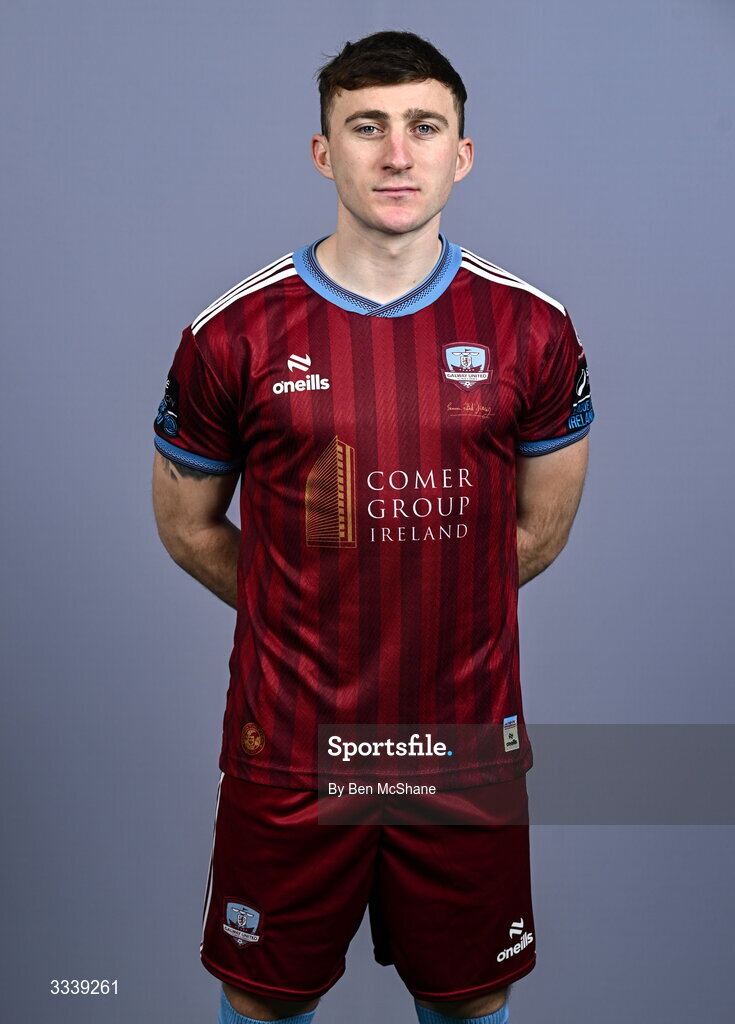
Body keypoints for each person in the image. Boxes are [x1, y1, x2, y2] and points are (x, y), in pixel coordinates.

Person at [152, 29, 593, 1024]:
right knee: (265, 1006)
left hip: (462, 750)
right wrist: (305, 603)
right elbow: (186, 524)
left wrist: (429, 600)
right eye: (367, 127)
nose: (397, 154)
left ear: (461, 153)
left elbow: (539, 528)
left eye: (423, 127)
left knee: (472, 1006)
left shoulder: (534, 329)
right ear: (324, 151)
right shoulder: (234, 333)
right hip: (293, 749)